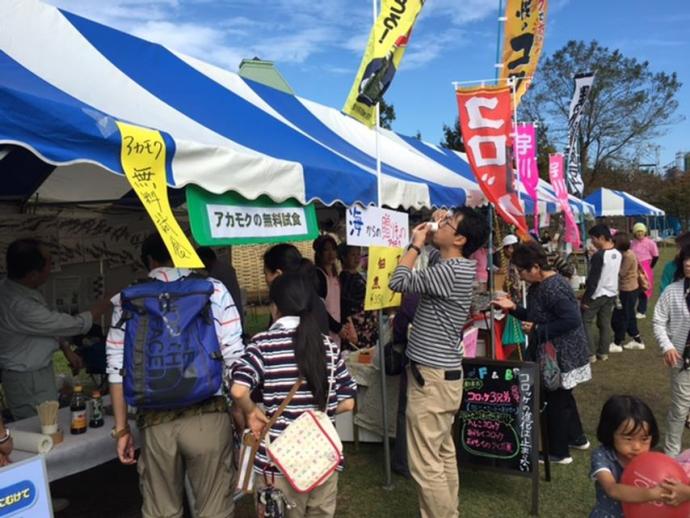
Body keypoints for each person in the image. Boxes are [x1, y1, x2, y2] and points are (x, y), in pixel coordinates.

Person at [107, 233, 243, 518]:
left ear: (149, 260)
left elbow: (116, 368)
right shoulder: (212, 289)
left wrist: (122, 430)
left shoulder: (128, 298)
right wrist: (242, 415)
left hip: (155, 424)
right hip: (209, 416)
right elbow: (233, 356)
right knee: (215, 508)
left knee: (161, 510)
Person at [389, 206, 488, 518]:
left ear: (459, 238)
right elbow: (434, 256)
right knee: (442, 454)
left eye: (448, 222)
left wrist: (415, 243)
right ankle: (449, 512)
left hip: (430, 380)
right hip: (443, 377)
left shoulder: (450, 271)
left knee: (426, 463)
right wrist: (433, 231)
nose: (440, 223)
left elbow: (398, 280)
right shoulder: (456, 265)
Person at [231, 273, 357, 518]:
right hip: (323, 460)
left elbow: (238, 389)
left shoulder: (263, 344)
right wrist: (316, 414)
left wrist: (251, 411)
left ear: (274, 307)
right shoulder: (328, 347)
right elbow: (348, 402)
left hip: (277, 466)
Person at [493, 241, 591, 464]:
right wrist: (513, 308)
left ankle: (558, 452)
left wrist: (539, 329)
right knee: (563, 397)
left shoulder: (553, 287)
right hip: (557, 351)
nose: (521, 276)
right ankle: (577, 437)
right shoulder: (541, 285)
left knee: (554, 401)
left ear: (536, 267)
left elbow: (571, 319)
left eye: (522, 271)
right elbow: (536, 315)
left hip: (561, 354)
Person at [0, 239, 110, 420]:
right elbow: (69, 324)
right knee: (41, 427)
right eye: (50, 263)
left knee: (48, 423)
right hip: (28, 379)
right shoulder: (19, 305)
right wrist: (107, 302)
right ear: (34, 274)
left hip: (33, 375)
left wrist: (66, 349)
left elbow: (45, 325)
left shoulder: (17, 289)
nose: (52, 267)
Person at [263, 244, 356, 344]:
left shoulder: (287, 306)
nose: (266, 279)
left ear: (277, 274)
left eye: (266, 273)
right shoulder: (312, 299)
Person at [589, 395, 663, 517]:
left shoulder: (653, 459)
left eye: (644, 439)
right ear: (610, 432)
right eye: (629, 438)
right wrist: (651, 494)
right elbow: (612, 489)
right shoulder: (603, 457)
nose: (637, 447)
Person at [653, 244, 690, 457]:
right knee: (679, 409)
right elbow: (658, 320)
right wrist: (667, 346)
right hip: (681, 361)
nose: (688, 263)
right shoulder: (672, 291)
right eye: (685, 258)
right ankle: (672, 454)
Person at [581, 224, 622, 362]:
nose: (592, 242)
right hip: (611, 293)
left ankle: (589, 353)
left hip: (597, 294)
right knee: (604, 322)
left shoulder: (599, 256)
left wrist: (585, 299)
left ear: (602, 238)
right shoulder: (617, 253)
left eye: (593, 239)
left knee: (585, 321)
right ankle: (603, 352)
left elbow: (593, 280)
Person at [338, 244, 378, 349]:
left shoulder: (359, 276)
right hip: (356, 327)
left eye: (358, 254)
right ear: (344, 257)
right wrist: (350, 327)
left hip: (368, 324)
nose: (357, 258)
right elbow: (343, 304)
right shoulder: (344, 278)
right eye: (353, 255)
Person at [197, 246, 245, 332]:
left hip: (228, 315)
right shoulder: (223, 267)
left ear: (205, 260)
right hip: (234, 312)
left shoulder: (217, 272)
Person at [611, 233, 644, 351]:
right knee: (629, 316)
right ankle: (637, 340)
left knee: (621, 317)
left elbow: (621, 273)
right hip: (628, 289)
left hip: (628, 289)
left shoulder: (628, 256)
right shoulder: (625, 254)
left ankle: (617, 342)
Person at [314, 235, 343, 345]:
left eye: (333, 249)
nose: (331, 253)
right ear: (319, 253)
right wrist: (337, 327)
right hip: (324, 329)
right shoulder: (318, 275)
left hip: (337, 330)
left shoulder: (336, 275)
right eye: (326, 250)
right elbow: (319, 308)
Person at [630, 222, 659, 319]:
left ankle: (641, 311)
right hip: (634, 268)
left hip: (646, 267)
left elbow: (655, 256)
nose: (639, 234)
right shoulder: (632, 243)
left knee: (644, 289)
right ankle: (631, 309)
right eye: (637, 232)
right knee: (634, 289)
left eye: (641, 231)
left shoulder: (650, 242)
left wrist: (650, 266)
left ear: (644, 232)